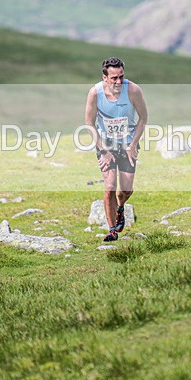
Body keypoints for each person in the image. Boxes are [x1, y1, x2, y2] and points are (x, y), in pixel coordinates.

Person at [84, 57, 148, 242]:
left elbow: (143, 119)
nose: (119, 81)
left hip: (128, 143)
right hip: (106, 144)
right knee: (110, 186)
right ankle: (112, 230)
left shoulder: (133, 90)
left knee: (126, 190)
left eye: (121, 76)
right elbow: (89, 123)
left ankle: (121, 208)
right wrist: (103, 150)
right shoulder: (95, 93)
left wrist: (133, 145)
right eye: (114, 78)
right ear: (105, 77)